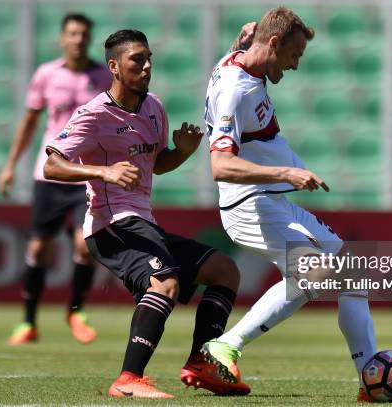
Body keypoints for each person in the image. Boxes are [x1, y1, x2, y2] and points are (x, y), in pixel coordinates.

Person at [201, 7, 392, 403]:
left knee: (351, 274)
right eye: (294, 55)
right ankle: (225, 346)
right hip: (250, 204)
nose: (295, 65)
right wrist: (286, 173)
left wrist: (239, 41)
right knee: (318, 272)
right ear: (273, 43)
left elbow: (237, 55)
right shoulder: (237, 90)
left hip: (270, 201)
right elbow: (220, 164)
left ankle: (370, 382)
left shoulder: (235, 60)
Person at [43, 29, 252, 399]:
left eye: (149, 57)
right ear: (114, 67)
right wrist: (102, 171)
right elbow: (53, 167)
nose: (147, 65)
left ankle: (202, 362)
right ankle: (128, 379)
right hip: (109, 226)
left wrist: (183, 152)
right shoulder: (93, 115)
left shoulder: (153, 107)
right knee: (164, 284)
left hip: (142, 222)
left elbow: (155, 165)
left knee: (224, 270)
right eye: (136, 59)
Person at [0, 13, 111, 345]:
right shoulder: (46, 75)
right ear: (62, 38)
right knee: (38, 247)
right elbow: (30, 122)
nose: (77, 39)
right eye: (72, 34)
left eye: (83, 34)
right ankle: (28, 322)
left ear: (89, 39)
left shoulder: (104, 76)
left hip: (85, 176)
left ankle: (75, 311)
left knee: (84, 244)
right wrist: (10, 165)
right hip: (49, 173)